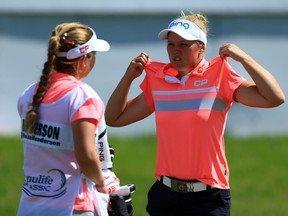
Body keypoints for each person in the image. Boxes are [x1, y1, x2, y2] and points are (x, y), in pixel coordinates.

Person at [104, 11, 285, 216]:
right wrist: (128, 77)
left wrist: (244, 58)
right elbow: (114, 118)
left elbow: (274, 98)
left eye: (184, 44)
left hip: (209, 199)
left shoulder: (219, 75)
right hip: (165, 196)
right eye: (171, 44)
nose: (175, 51)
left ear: (201, 48)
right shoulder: (159, 80)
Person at [17, 22, 111, 216]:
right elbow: (86, 155)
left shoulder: (29, 94)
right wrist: (102, 183)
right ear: (83, 60)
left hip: (30, 205)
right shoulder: (82, 96)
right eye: (93, 56)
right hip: (71, 207)